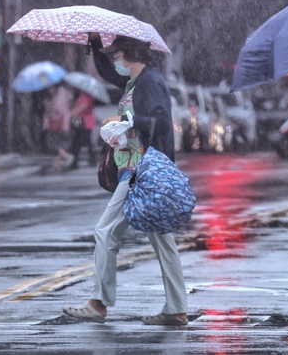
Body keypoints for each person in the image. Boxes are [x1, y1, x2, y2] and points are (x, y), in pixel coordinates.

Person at [63, 34, 188, 326]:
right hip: (137, 170)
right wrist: (93, 45)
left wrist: (129, 123)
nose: (116, 60)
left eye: (118, 54)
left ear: (131, 54)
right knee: (163, 243)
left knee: (105, 231)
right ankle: (177, 309)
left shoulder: (150, 82)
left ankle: (99, 302)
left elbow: (161, 122)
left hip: (140, 172)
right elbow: (107, 72)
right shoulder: (134, 82)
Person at [42, 83, 74, 169]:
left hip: (58, 123)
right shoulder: (64, 93)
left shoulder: (58, 96)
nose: (49, 90)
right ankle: (56, 164)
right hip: (62, 122)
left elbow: (57, 109)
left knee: (52, 144)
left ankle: (67, 156)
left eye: (50, 87)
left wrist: (48, 105)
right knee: (58, 143)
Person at [68, 87, 96, 169]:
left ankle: (75, 161)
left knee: (77, 142)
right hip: (85, 122)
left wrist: (71, 113)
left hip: (85, 122)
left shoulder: (85, 96)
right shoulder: (84, 96)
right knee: (85, 142)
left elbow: (83, 106)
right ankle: (91, 159)